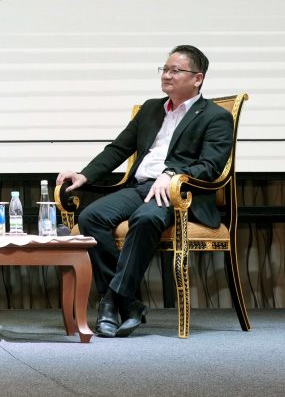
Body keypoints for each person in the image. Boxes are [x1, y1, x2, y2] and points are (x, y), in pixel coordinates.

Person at [56, 45, 233, 338]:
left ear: (197, 78)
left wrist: (172, 175)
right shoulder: (151, 108)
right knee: (91, 218)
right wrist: (85, 174)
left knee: (146, 218)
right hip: (140, 186)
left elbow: (211, 166)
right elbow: (118, 149)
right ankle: (128, 302)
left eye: (175, 70)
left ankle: (111, 301)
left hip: (178, 193)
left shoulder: (214, 116)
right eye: (165, 69)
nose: (167, 75)